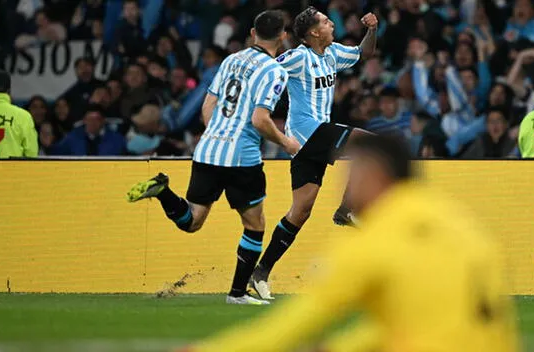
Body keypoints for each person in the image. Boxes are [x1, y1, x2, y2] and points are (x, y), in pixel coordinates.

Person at [181, 134, 519, 352]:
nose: (348, 185)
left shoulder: (375, 240)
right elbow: (417, 323)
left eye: (353, 174)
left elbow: (293, 326)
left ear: (374, 177)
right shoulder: (463, 224)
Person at [125, 10, 300, 305]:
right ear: (283, 37)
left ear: (252, 34)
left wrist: (219, 132)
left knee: (192, 221)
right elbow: (260, 120)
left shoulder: (231, 60)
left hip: (207, 149)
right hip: (241, 157)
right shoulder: (275, 71)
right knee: (255, 225)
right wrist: (286, 143)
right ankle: (237, 294)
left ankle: (164, 192)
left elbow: (208, 104)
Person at [250, 7, 378, 300]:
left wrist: (372, 30)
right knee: (370, 146)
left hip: (308, 143)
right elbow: (271, 68)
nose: (331, 22)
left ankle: (259, 274)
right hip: (310, 132)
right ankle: (348, 209)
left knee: (300, 211)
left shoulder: (332, 54)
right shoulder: (298, 57)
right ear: (313, 33)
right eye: (325, 20)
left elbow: (363, 54)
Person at [51, 104, 126, 156]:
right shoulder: (72, 138)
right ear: (84, 120)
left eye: (96, 119)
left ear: (103, 121)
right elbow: (56, 154)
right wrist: (48, 146)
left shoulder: (117, 139)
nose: (92, 123)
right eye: (89, 119)